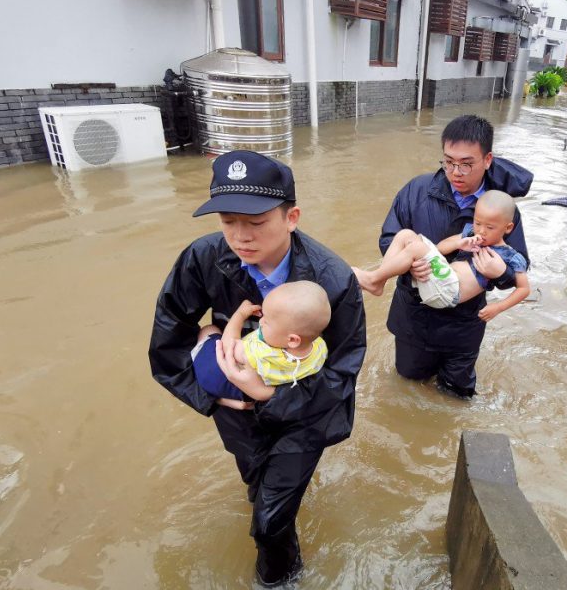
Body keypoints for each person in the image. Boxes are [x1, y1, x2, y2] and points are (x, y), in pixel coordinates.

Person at [148, 150, 366, 587]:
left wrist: (269, 396)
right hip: (235, 410)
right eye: (228, 221)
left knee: (268, 524)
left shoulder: (333, 279)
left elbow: (342, 371)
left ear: (291, 217)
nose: (240, 237)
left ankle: (279, 579)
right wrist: (212, 395)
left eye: (256, 222)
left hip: (306, 413)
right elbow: (167, 341)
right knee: (255, 485)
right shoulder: (203, 258)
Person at [378, 115, 532, 398]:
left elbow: (519, 265)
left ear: (487, 160)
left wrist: (502, 274)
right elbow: (389, 239)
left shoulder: (502, 209)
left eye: (466, 164)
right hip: (415, 316)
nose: (455, 172)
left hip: (464, 324)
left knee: (456, 396)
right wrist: (410, 267)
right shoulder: (416, 191)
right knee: (409, 386)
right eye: (448, 162)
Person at [355, 190, 530, 316]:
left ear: (508, 228)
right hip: (439, 279)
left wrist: (497, 308)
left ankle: (372, 279)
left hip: (449, 292)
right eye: (478, 223)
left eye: (490, 227)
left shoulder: (511, 256)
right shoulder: (470, 233)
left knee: (416, 248)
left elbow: (524, 289)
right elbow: (440, 248)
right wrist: (459, 243)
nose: (481, 231)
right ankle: (379, 282)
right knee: (405, 235)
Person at [192, 281, 331, 402]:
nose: (260, 321)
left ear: (293, 340)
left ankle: (197, 367)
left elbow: (228, 346)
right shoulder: (320, 348)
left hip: (225, 379)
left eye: (267, 321)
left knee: (209, 330)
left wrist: (240, 315)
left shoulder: (261, 354)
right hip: (268, 389)